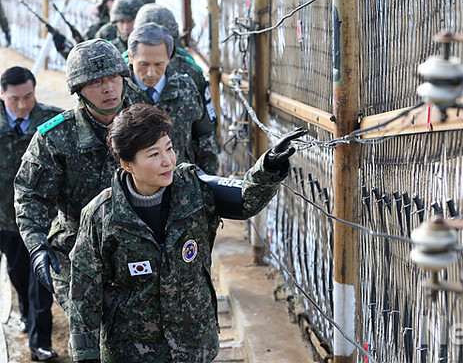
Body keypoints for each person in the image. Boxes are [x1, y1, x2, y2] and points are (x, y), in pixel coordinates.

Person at [68, 104, 307, 362]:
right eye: (153, 154)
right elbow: (84, 293)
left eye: (169, 148)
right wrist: (86, 355)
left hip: (193, 345)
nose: (167, 161)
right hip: (132, 351)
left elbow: (245, 199)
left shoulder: (195, 189)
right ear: (127, 164)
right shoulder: (102, 215)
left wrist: (269, 166)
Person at [14, 39, 132, 314]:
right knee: (88, 336)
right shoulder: (54, 138)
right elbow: (29, 196)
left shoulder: (145, 122)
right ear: (78, 90)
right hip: (75, 252)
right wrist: (37, 248)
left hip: (137, 248)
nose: (108, 88)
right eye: (95, 82)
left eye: (114, 77)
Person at [0, 67, 61, 361]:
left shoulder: (52, 121)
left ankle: (40, 343)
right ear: (2, 95)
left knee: (40, 278)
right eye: (14, 99)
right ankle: (22, 307)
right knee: (17, 270)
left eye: (28, 97)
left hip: (43, 218)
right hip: (5, 219)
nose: (22, 105)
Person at [132, 4, 219, 173]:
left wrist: (208, 181)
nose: (151, 72)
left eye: (159, 64)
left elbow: (206, 129)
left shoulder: (189, 77)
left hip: (182, 179)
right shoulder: (118, 84)